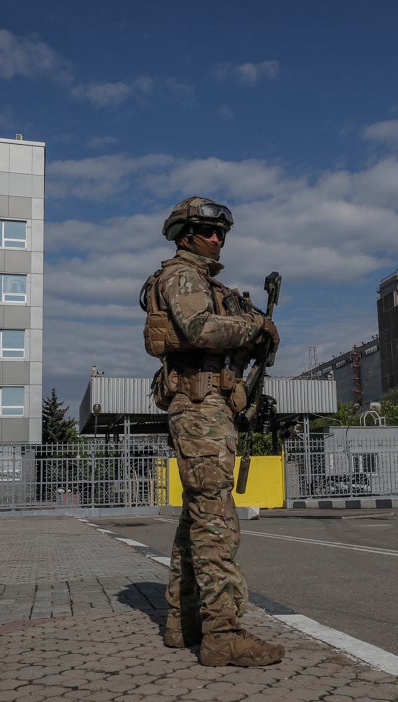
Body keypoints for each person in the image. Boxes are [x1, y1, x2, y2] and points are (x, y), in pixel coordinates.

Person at [141, 196, 283, 667]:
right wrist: (255, 325)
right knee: (216, 519)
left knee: (197, 516)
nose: (217, 239)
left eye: (222, 232)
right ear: (186, 234)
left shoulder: (204, 281)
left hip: (208, 405)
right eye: (207, 231)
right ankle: (223, 633)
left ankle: (186, 623)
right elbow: (201, 330)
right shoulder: (181, 276)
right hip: (199, 408)